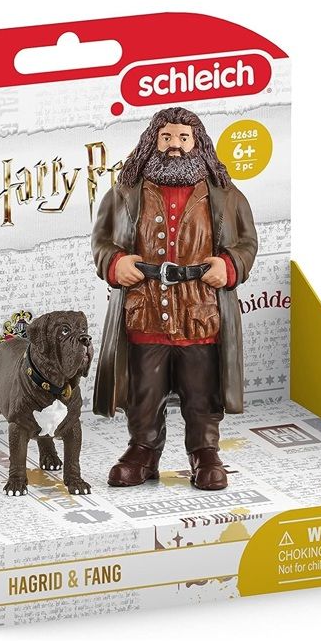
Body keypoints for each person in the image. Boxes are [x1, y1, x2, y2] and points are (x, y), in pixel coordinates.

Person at [91, 107, 257, 490]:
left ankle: (204, 451)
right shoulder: (125, 193)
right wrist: (115, 262)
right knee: (144, 391)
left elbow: (247, 243)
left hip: (201, 313)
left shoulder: (225, 196)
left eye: (183, 137)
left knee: (202, 391)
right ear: (153, 141)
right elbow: (101, 240)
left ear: (198, 142)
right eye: (166, 137)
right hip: (144, 310)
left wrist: (229, 265)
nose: (174, 146)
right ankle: (143, 450)